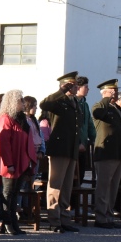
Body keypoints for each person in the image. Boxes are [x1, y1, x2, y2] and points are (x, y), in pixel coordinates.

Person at [39, 72, 82, 233]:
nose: (76, 87)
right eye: (73, 84)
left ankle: (64, 218)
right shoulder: (58, 100)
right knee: (55, 185)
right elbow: (44, 104)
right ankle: (54, 220)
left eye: (76, 84)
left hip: (71, 149)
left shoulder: (75, 102)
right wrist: (61, 91)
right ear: (66, 85)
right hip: (59, 149)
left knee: (67, 187)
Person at [0, 90, 37, 236]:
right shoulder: (5, 119)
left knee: (15, 194)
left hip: (22, 161)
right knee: (8, 194)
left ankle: (13, 223)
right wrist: (9, 163)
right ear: (12, 102)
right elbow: (3, 144)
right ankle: (7, 223)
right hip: (11, 163)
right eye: (20, 101)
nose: (23, 104)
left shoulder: (22, 119)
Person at [90, 79, 121, 229]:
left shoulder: (116, 109)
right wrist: (106, 98)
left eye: (116, 91)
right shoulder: (100, 105)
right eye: (112, 91)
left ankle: (108, 215)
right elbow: (97, 113)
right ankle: (100, 217)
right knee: (103, 186)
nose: (116, 93)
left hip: (117, 154)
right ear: (105, 92)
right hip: (105, 153)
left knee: (113, 188)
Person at [74, 76, 96, 186]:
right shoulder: (73, 103)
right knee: (73, 178)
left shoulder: (85, 105)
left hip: (84, 146)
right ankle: (71, 203)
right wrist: (78, 143)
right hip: (74, 147)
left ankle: (76, 203)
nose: (88, 89)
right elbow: (73, 126)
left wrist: (95, 139)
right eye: (86, 87)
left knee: (81, 175)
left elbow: (90, 125)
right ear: (78, 87)